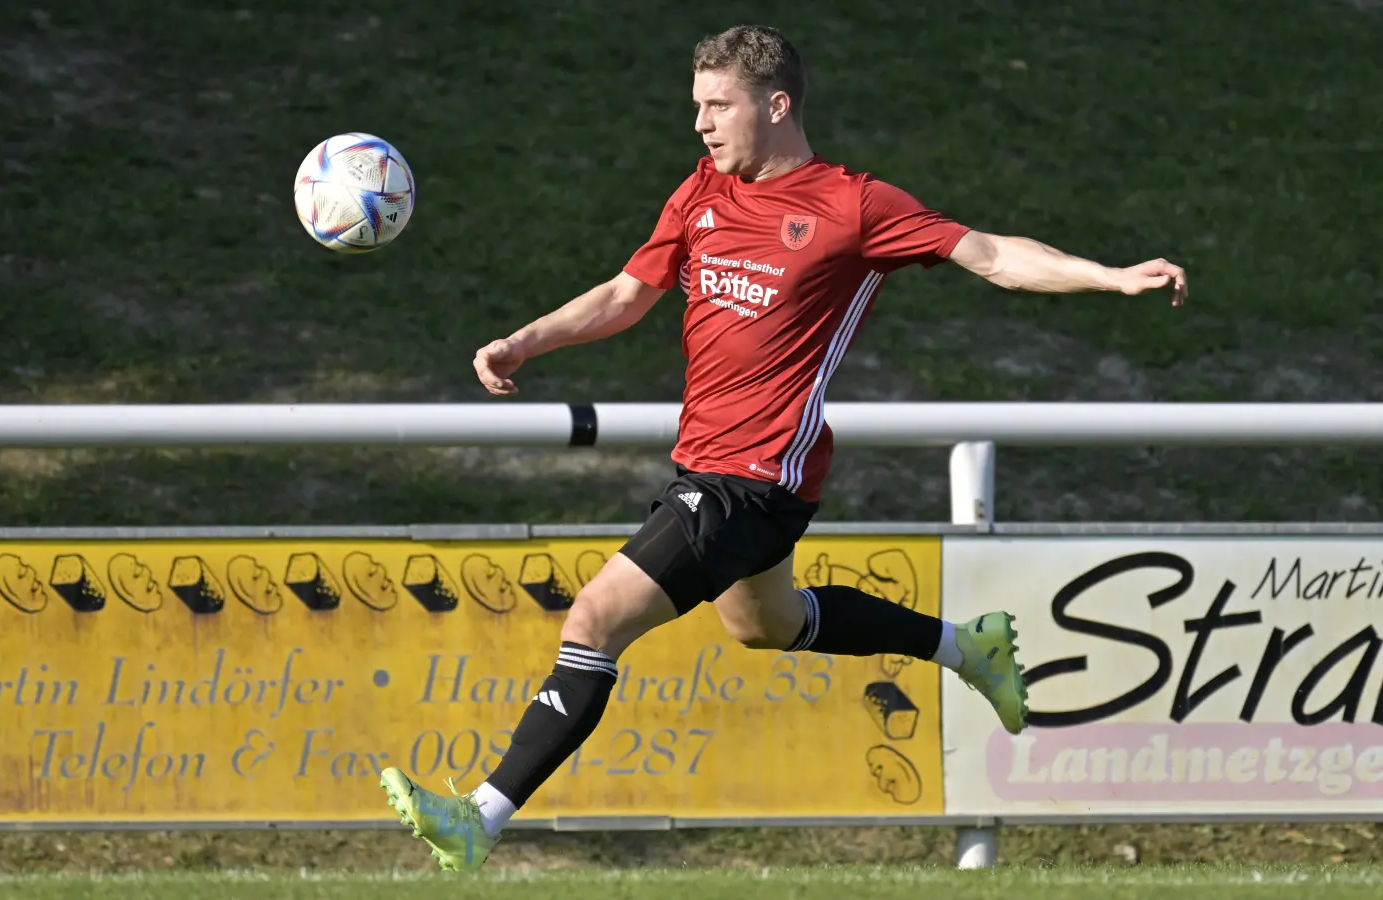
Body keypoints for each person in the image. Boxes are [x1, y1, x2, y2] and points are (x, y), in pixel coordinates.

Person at [378, 24, 1187, 873]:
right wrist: (522, 342)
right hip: (711, 468)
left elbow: (990, 256)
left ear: (777, 104)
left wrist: (1110, 275)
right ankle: (966, 646)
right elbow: (627, 292)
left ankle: (482, 815)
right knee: (765, 624)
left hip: (756, 479)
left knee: (595, 618)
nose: (700, 123)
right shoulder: (700, 193)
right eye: (696, 105)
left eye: (716, 105)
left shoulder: (853, 206)